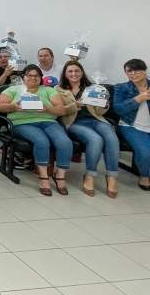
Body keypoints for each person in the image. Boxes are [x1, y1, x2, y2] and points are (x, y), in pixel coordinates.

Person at [0, 64, 70, 196]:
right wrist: (14, 106)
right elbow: (0, 107)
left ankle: (60, 176)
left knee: (65, 142)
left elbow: (61, 110)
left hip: (48, 122)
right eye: (29, 75)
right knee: (41, 141)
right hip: (23, 123)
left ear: (41, 78)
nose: (33, 78)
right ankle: (43, 178)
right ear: (23, 76)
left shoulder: (49, 90)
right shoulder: (13, 90)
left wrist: (47, 108)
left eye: (36, 75)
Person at [56, 61, 119, 197]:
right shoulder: (58, 90)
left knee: (111, 137)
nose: (74, 74)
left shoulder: (92, 88)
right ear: (65, 74)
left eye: (77, 71)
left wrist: (104, 105)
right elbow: (59, 111)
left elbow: (99, 112)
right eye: (70, 71)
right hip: (74, 123)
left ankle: (112, 176)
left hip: (96, 120)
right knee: (95, 139)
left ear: (82, 72)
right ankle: (90, 175)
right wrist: (76, 104)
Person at [114, 58, 150, 191]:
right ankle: (144, 175)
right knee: (146, 152)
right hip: (131, 126)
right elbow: (119, 109)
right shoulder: (121, 88)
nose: (133, 74)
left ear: (144, 71)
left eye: (137, 70)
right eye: (129, 71)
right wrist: (138, 99)